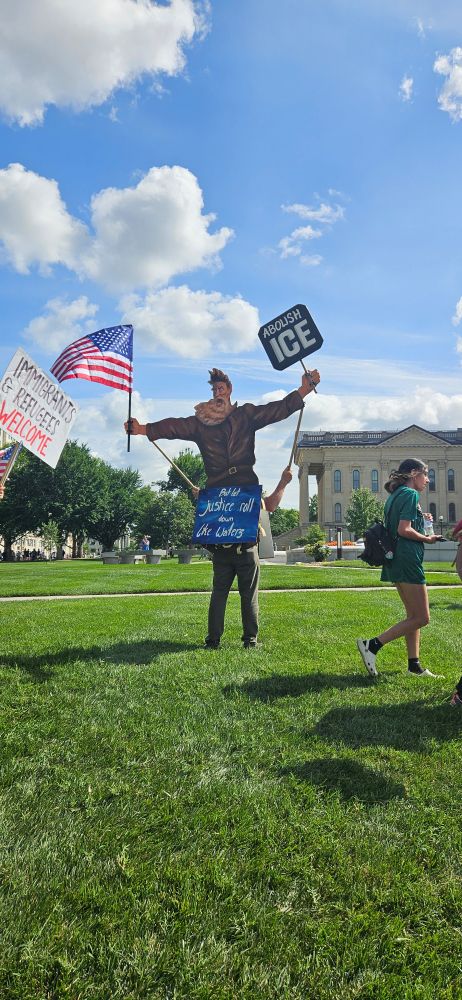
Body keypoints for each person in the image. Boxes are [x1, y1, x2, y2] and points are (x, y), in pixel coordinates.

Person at [125, 366, 320, 487]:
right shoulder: (200, 423)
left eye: (221, 389)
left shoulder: (246, 415)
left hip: (245, 484)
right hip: (215, 488)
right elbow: (175, 426)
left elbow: (277, 409)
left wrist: (303, 389)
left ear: (229, 390)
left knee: (247, 542)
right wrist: (142, 429)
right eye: (214, 390)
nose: (217, 393)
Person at [357, 458, 443, 678]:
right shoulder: (411, 494)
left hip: (395, 558)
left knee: (412, 615)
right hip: (407, 559)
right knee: (422, 618)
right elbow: (404, 529)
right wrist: (427, 538)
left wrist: (421, 519)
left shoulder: (396, 495)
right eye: (426, 474)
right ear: (414, 473)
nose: (428, 479)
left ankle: (414, 666)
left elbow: (400, 525)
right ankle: (372, 645)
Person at [202, 465, 294, 649]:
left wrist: (201, 496)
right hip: (247, 552)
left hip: (221, 553)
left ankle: (213, 641)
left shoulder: (216, 497)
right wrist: (283, 482)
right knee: (249, 596)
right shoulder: (250, 497)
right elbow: (270, 505)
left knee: (218, 595)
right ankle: (250, 641)